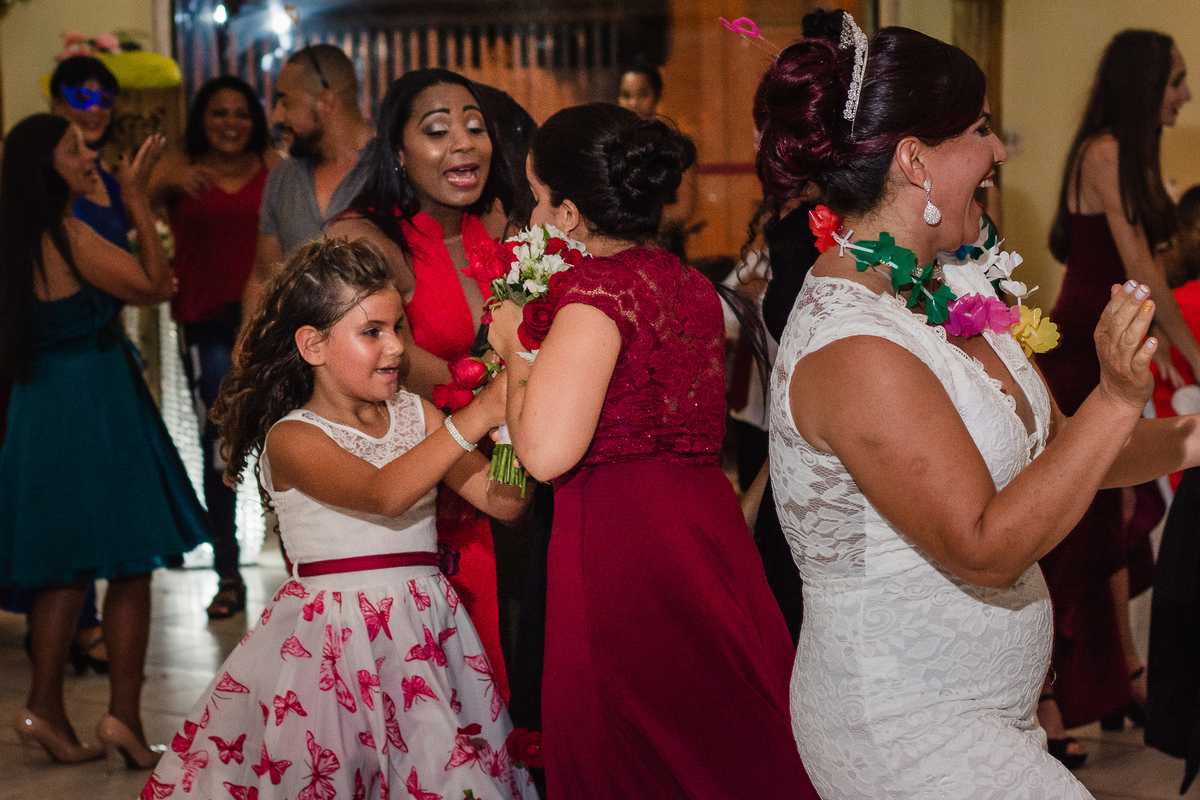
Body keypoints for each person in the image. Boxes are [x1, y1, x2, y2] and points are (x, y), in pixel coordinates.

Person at [754, 21, 1200, 798]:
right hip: (902, 731)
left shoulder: (954, 284)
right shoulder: (853, 344)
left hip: (992, 716)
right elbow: (983, 545)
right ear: (915, 157)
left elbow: (1065, 453)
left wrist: (1194, 435)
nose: (1000, 151)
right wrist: (1120, 395)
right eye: (981, 130)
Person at [486, 102, 817, 800]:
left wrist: (514, 344)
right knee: (714, 733)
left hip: (621, 543)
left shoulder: (593, 294)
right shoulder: (687, 284)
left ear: (571, 214)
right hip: (702, 528)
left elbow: (543, 455)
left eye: (539, 200)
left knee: (626, 744)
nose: (534, 219)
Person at [143, 238, 535, 800]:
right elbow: (385, 493)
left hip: (425, 634)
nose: (396, 347)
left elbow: (504, 502)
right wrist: (478, 414)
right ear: (313, 344)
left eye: (399, 328)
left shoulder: (417, 414)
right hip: (334, 645)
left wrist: (510, 428)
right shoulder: (293, 438)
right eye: (372, 331)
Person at [0, 115, 208, 767]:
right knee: (128, 558)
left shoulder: (17, 241)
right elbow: (156, 286)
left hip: (39, 404)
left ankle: (44, 707)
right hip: (95, 400)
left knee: (63, 567)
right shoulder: (69, 235)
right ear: (44, 167)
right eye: (73, 148)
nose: (88, 154)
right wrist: (139, 202)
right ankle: (122, 717)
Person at [328, 69, 515, 702]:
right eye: (437, 130)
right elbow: (382, 359)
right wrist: (509, 387)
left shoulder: (510, 227)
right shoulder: (365, 239)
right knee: (443, 692)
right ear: (399, 152)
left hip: (513, 467)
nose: (464, 142)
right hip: (427, 489)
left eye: (475, 126)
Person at [1037, 29, 1193, 742]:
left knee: (1114, 510)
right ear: (1143, 85)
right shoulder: (1108, 152)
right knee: (1084, 523)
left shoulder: (1112, 150)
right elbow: (1143, 272)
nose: (1185, 97)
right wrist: (1195, 354)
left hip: (1111, 336)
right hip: (1088, 347)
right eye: (1175, 82)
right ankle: (1059, 704)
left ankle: (1120, 675)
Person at [149, 76, 281, 621]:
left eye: (241, 113)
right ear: (202, 119)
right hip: (204, 321)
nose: (230, 123)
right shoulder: (179, 170)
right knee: (221, 439)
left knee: (282, 432)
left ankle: (302, 563)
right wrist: (162, 179)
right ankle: (227, 573)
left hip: (269, 322)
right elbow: (131, 201)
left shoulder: (275, 167)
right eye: (218, 113)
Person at [241, 44, 374, 317]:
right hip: (300, 354)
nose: (277, 116)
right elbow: (264, 280)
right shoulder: (282, 177)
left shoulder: (393, 169)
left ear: (325, 102)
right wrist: (249, 356)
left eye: (285, 101)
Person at [616, 57, 699, 255]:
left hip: (666, 249)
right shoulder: (612, 145)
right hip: (620, 250)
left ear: (658, 95)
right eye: (626, 95)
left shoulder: (679, 145)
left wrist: (630, 218)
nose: (634, 103)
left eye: (642, 94)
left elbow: (684, 208)